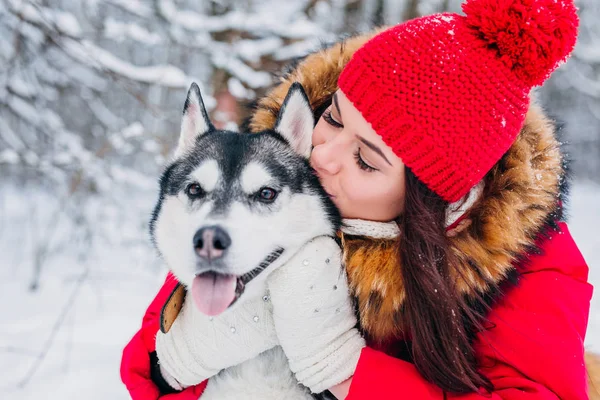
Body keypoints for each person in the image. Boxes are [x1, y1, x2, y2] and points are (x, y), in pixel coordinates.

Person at [121, 0, 599, 398]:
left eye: (366, 161)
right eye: (333, 116)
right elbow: (148, 368)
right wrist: (188, 353)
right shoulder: (276, 184)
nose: (322, 155)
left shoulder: (530, 264)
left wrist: (344, 368)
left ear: (430, 205)